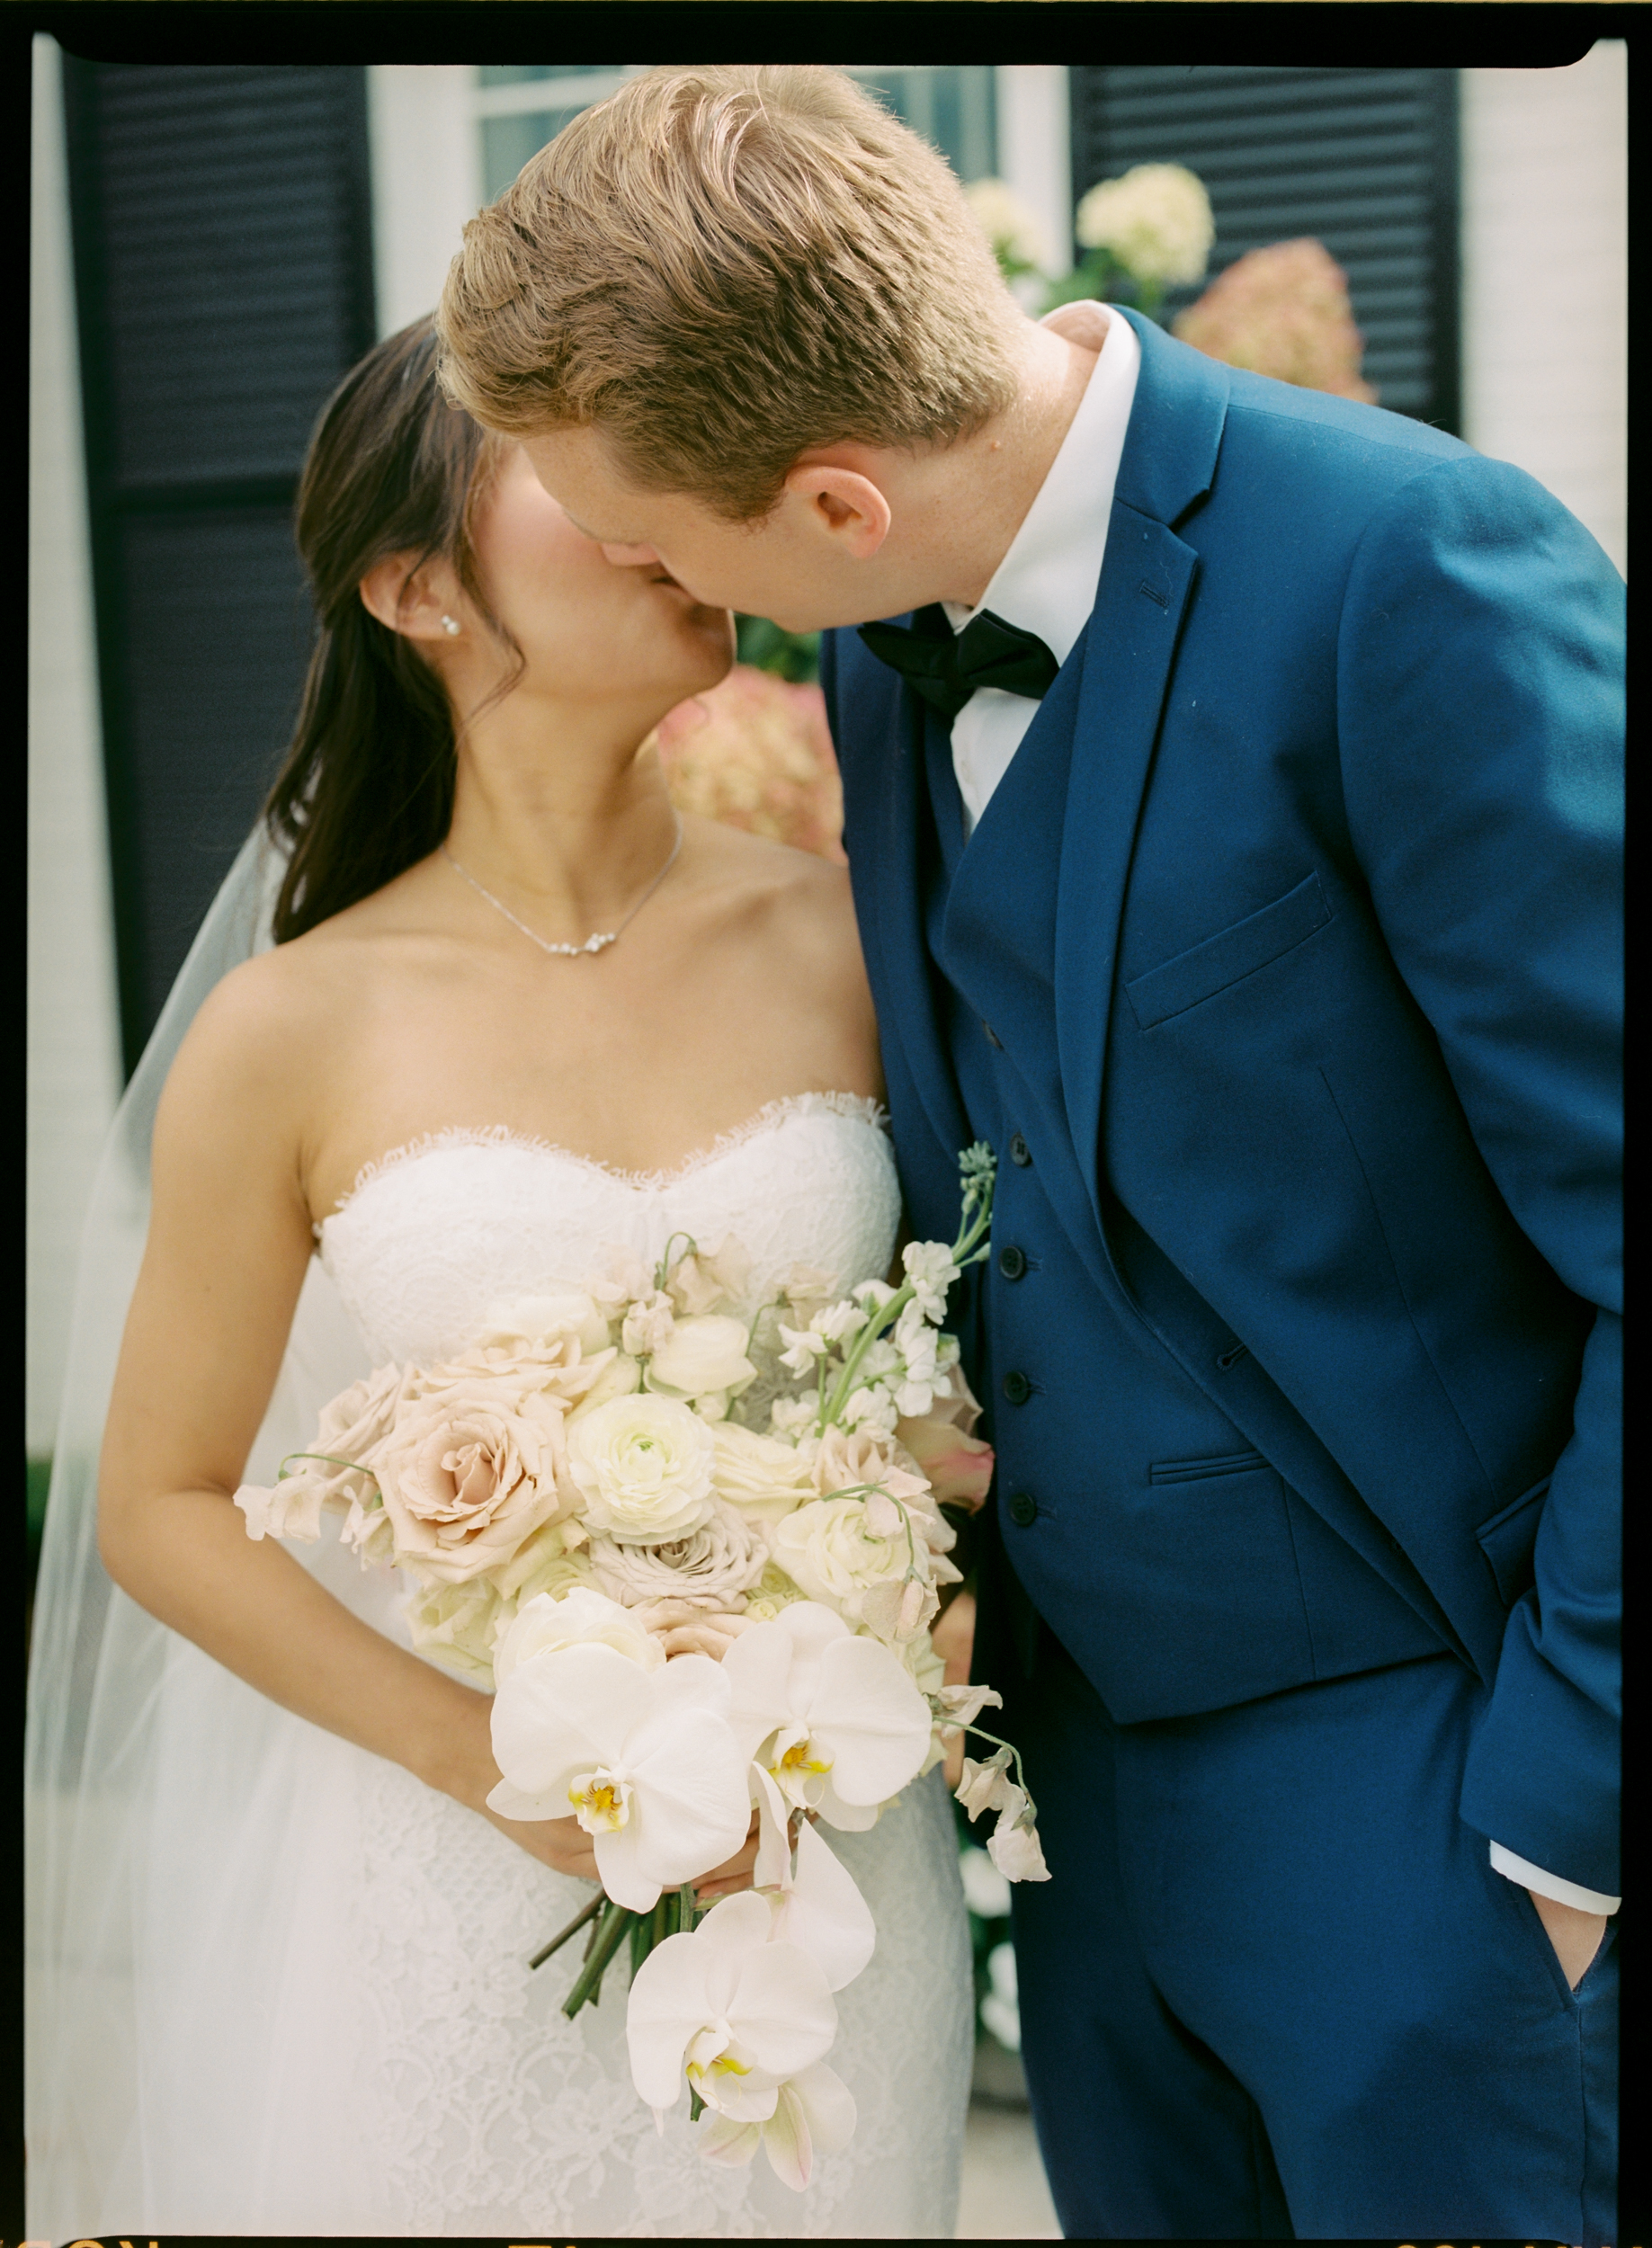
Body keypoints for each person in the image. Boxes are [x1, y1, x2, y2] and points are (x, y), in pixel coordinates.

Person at [436, 64, 1623, 2243]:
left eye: (648, 532)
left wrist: (1561, 1822)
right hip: (1073, 1813)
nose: (643, 576)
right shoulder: (889, 660)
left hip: (1441, 1793)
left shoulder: (1414, 569)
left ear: (833, 504)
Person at [25, 317, 973, 2240]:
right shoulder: (291, 1025)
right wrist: (498, 1771)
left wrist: (933, 1577)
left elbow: (971, 1354)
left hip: (807, 1863)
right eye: (592, 464)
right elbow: (161, 1503)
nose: (673, 496)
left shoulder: (856, 929)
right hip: (445, 1871)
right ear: (415, 586)